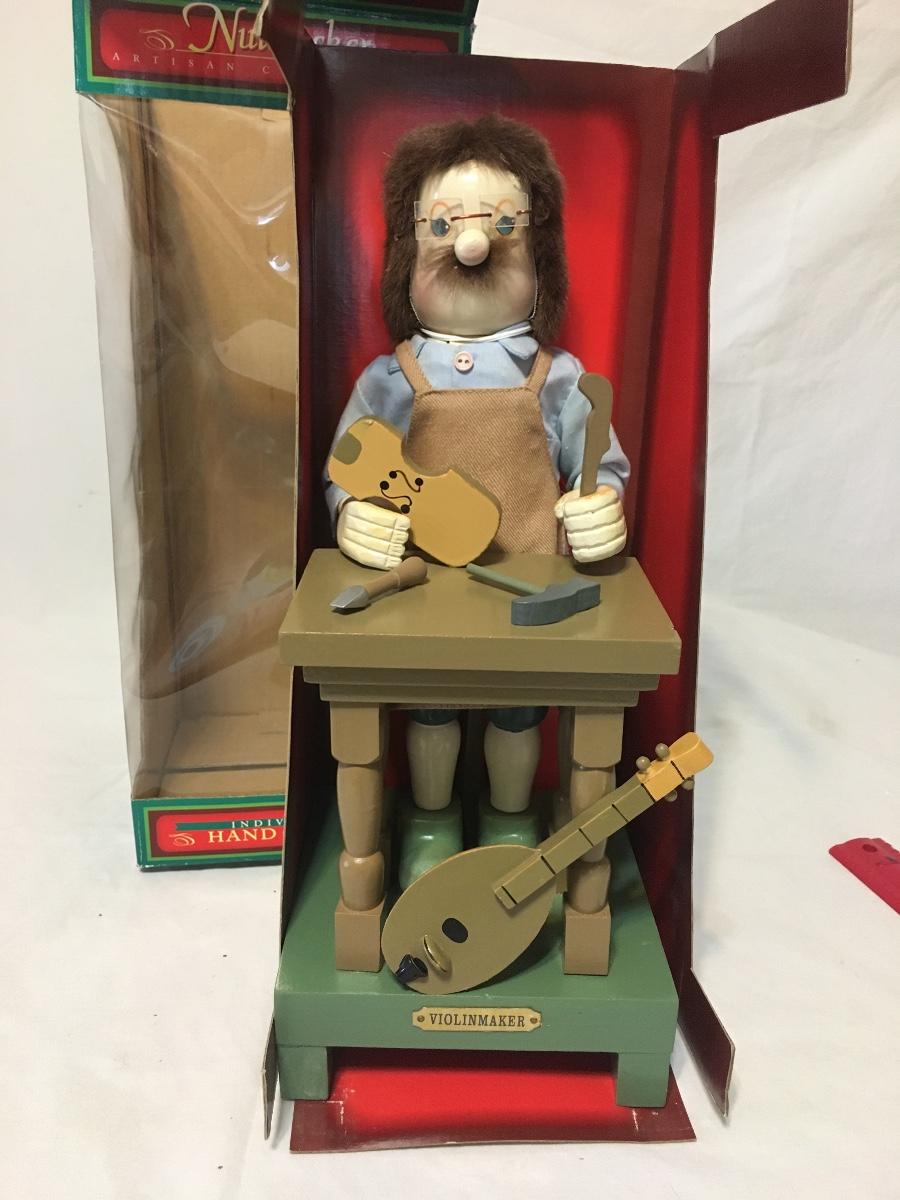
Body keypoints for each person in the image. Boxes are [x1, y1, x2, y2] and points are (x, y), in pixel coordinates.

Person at [324, 114, 630, 885]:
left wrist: (602, 507)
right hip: (423, 594)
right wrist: (349, 515)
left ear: (539, 250)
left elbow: (598, 466)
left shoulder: (558, 378)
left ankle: (509, 820)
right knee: (429, 712)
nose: (471, 245)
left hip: (528, 594)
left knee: (517, 715)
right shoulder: (390, 379)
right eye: (443, 225)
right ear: (408, 249)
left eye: (501, 224)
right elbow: (349, 466)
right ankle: (431, 823)